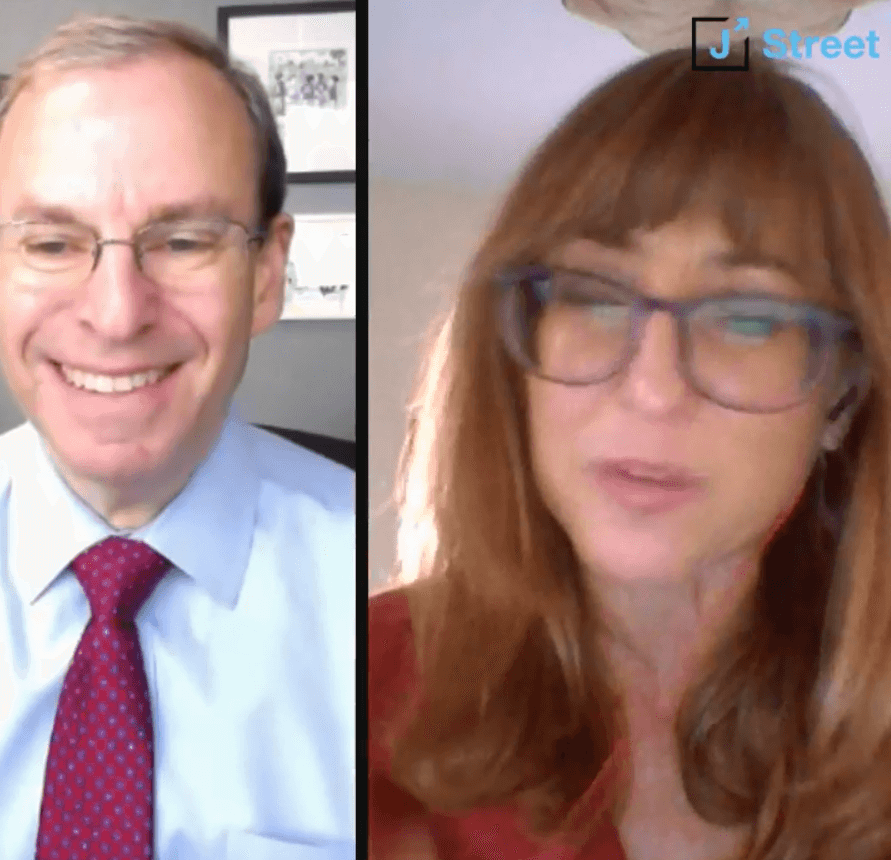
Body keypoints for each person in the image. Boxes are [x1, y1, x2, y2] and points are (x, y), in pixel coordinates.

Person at [0, 14, 356, 860]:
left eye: (182, 240)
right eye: (50, 242)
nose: (115, 314)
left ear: (264, 274)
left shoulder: (385, 600)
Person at [368, 49, 891, 860]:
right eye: (589, 294)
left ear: (843, 397)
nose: (651, 389)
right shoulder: (332, 692)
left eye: (747, 316)